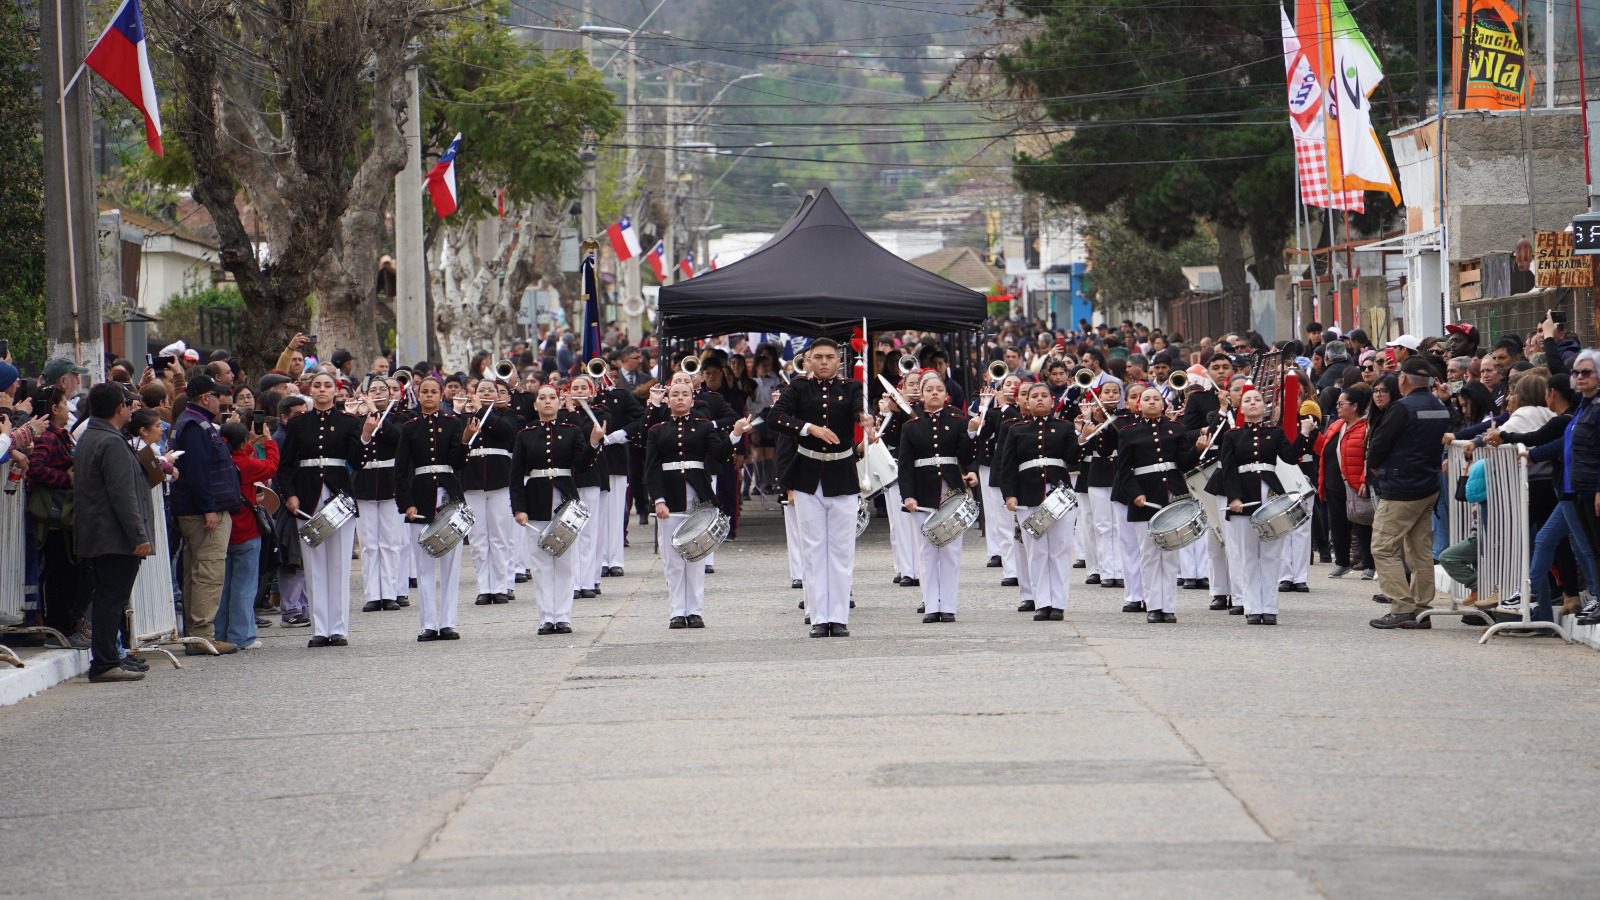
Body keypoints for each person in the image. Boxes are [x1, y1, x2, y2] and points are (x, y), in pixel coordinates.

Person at [769, 337, 870, 638]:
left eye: (829, 357)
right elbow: (775, 418)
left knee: (841, 550)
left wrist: (865, 420)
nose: (824, 362)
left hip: (842, 474)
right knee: (813, 550)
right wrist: (808, 428)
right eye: (818, 357)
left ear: (839, 361)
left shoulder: (851, 387)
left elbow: (858, 410)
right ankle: (818, 616)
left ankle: (837, 617)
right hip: (807, 475)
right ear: (809, 361)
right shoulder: (799, 388)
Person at [646, 381, 751, 628]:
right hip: (670, 498)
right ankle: (677, 611)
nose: (680, 398)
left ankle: (694, 611)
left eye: (685, 394)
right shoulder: (657, 430)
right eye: (675, 394)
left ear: (693, 400)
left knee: (695, 558)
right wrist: (658, 500)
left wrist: (735, 434)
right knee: (672, 560)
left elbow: (719, 453)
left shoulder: (703, 426)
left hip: (698, 496)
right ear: (667, 400)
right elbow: (651, 469)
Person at [281, 371, 373, 647]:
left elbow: (357, 461)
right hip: (307, 497)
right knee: (313, 566)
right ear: (310, 390)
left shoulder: (348, 422)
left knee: (339, 564)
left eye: (328, 386)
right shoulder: (298, 424)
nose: (322, 390)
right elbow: (285, 465)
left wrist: (365, 436)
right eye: (317, 385)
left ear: (336, 390)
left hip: (339, 497)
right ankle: (320, 628)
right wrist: (290, 495)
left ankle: (339, 628)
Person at [1208, 387, 1315, 625]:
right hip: (1243, 495)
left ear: (1264, 406)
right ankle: (1252, 607)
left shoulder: (1274, 432)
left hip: (1271, 494)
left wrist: (1304, 433)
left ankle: (1270, 608)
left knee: (1271, 554)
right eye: (1248, 400)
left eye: (1257, 399)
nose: (1253, 403)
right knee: (1247, 556)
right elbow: (1228, 469)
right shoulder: (1232, 436)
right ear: (1241, 408)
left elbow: (1290, 457)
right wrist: (1234, 498)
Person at [74, 383, 156, 682]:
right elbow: (123, 495)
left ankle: (111, 656)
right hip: (113, 536)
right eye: (127, 404)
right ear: (119, 408)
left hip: (100, 533)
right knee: (111, 599)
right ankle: (105, 661)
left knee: (109, 598)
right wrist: (138, 536)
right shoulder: (110, 442)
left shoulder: (92, 436)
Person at [1368, 358, 1453, 629]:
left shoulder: (1401, 408)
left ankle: (1402, 607)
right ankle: (1421, 609)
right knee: (1420, 550)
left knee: (1383, 547)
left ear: (1403, 379)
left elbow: (1378, 446)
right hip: (1428, 485)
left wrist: (1377, 467)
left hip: (1400, 487)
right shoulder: (1439, 407)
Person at [510, 384, 600, 635]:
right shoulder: (525, 435)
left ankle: (563, 616)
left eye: (552, 397)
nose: (547, 401)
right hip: (535, 500)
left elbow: (582, 465)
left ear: (560, 403)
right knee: (540, 564)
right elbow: (515, 476)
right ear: (535, 404)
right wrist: (519, 508)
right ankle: (546, 617)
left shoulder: (571, 431)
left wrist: (593, 443)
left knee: (565, 562)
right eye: (542, 398)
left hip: (565, 502)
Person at [1114, 387, 1200, 623]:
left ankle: (1168, 606)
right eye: (1147, 399)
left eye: (1156, 399)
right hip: (1145, 498)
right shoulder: (1128, 432)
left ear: (1163, 404)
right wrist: (1135, 494)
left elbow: (1183, 463)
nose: (1152, 402)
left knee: (1170, 555)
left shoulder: (1176, 429)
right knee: (1149, 554)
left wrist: (1197, 450)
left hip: (1172, 495)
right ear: (1139, 405)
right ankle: (1154, 605)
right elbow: (1124, 470)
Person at [169, 374, 241, 655]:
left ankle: (196, 634)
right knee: (208, 571)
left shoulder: (193, 422)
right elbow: (198, 471)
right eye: (217, 396)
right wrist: (208, 507)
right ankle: (202, 634)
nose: (220, 401)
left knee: (197, 570)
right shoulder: (195, 426)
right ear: (205, 398)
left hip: (198, 509)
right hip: (203, 513)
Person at [897, 375, 978, 623]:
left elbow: (966, 456)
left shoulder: (958, 421)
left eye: (939, 389)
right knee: (926, 551)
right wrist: (907, 495)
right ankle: (931, 605)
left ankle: (949, 606)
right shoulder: (911, 426)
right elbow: (905, 465)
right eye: (929, 389)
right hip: (922, 492)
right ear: (922, 395)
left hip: (951, 490)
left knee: (951, 551)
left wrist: (971, 433)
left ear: (946, 395)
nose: (934, 393)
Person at [999, 382, 1079, 621]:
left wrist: (1081, 436)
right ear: (1027, 401)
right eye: (1035, 396)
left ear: (1052, 401)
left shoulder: (1064, 427)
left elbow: (1073, 458)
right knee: (1036, 551)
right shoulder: (1017, 430)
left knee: (1060, 550)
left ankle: (1058, 603)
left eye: (1045, 395)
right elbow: (1008, 465)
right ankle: (1042, 602)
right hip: (1029, 495)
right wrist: (1010, 494)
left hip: (1060, 494)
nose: (1040, 399)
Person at [395, 376, 467, 642]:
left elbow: (458, 463)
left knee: (451, 566)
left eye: (433, 391)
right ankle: (428, 624)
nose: (428, 395)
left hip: (449, 495)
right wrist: (406, 504)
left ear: (440, 395)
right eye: (424, 391)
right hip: (421, 495)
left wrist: (466, 442)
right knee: (424, 566)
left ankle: (448, 622)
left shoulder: (453, 423)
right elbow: (401, 469)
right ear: (419, 393)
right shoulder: (410, 427)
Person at [460, 378, 520, 606]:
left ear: (498, 394)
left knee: (500, 537)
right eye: (481, 390)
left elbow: (507, 432)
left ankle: (501, 586)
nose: (486, 393)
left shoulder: (506, 414)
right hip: (473, 480)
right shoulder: (465, 416)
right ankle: (484, 587)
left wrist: (482, 410)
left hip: (500, 480)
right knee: (478, 539)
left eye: (490, 390)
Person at [219, 419, 279, 651]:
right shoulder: (247, 464)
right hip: (247, 530)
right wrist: (269, 442)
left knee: (222, 586)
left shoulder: (220, 461)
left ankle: (220, 633)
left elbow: (239, 452)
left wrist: (249, 442)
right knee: (244, 586)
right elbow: (271, 465)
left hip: (223, 530)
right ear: (242, 442)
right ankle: (241, 635)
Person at [353, 377, 408, 612]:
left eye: (382, 389)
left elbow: (397, 438)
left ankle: (391, 592)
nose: (377, 393)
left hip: (390, 482)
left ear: (391, 394)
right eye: (373, 390)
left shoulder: (400, 417)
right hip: (364, 483)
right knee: (368, 544)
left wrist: (376, 413)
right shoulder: (357, 419)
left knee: (391, 542)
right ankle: (373, 594)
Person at [1318, 386, 1375, 580]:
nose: (1338, 407)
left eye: (1341, 403)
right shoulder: (1336, 425)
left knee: (1362, 525)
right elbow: (1323, 448)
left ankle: (1369, 564)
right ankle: (1341, 562)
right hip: (1333, 484)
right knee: (1337, 525)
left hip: (1355, 484)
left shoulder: (1367, 427)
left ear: (1355, 406)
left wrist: (1364, 479)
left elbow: (1369, 456)